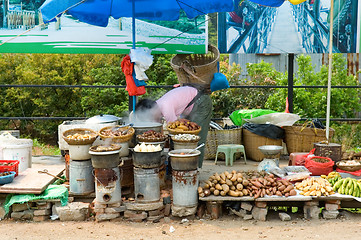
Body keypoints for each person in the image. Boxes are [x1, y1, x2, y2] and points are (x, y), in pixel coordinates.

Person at [134, 84, 212, 168]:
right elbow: (159, 127)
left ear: (150, 110)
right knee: (189, 137)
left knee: (196, 138)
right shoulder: (158, 105)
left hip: (201, 102)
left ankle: (195, 168)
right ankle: (185, 166)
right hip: (192, 105)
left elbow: (174, 132)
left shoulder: (166, 107)